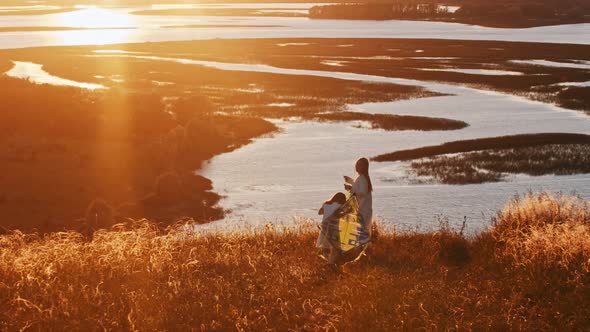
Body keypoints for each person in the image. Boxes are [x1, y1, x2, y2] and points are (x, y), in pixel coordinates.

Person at [344, 157, 373, 233]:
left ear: (364, 167)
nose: (357, 166)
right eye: (357, 164)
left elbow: (362, 193)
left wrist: (351, 188)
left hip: (363, 210)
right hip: (364, 209)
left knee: (361, 233)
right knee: (363, 233)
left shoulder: (362, 178)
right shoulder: (363, 178)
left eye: (360, 165)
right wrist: (351, 185)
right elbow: (358, 189)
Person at [316, 192, 347, 263]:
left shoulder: (326, 204)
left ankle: (326, 261)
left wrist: (327, 211)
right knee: (335, 247)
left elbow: (320, 212)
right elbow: (345, 216)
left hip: (324, 227)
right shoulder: (341, 206)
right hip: (334, 228)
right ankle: (331, 263)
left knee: (324, 245)